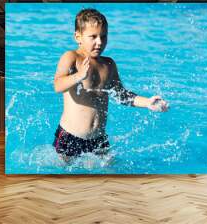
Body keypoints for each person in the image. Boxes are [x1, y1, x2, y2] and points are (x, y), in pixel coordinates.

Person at [53, 8, 169, 162]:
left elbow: (121, 95)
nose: (99, 42)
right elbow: (58, 85)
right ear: (78, 37)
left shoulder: (108, 64)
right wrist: (78, 76)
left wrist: (147, 102)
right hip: (70, 137)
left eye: (103, 36)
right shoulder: (72, 58)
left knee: (109, 173)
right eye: (93, 37)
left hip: (98, 139)